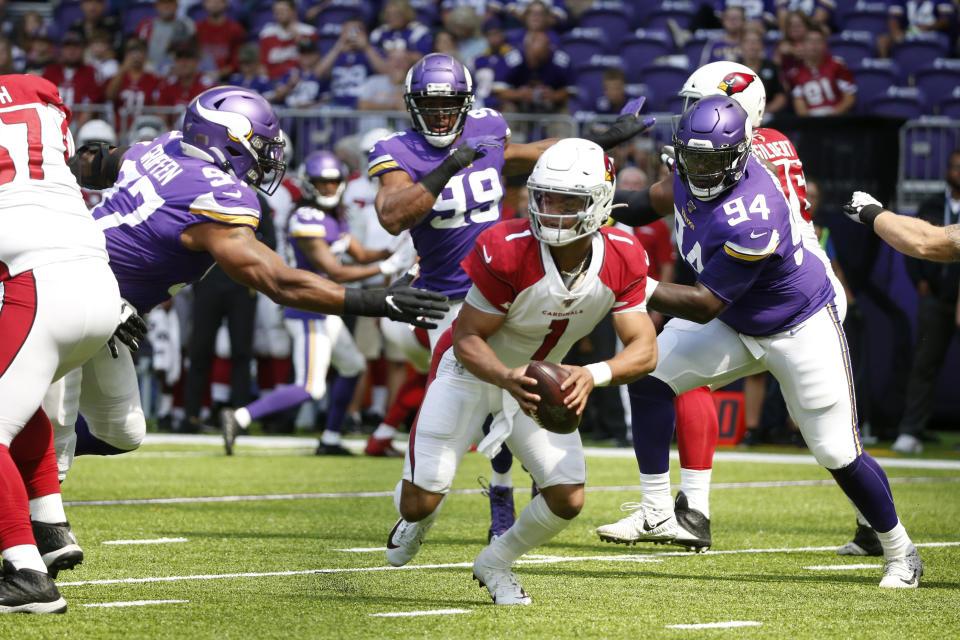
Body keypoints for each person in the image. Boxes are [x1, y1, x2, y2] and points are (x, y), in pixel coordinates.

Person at [46, 86, 448, 489]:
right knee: (51, 431)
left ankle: (30, 459)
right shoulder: (219, 196)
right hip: (71, 292)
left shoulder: (164, 146)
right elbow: (277, 280)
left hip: (103, 297)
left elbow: (95, 160)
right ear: (228, 140)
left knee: (123, 430)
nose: (269, 156)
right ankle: (32, 518)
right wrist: (379, 302)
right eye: (261, 145)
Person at [600, 94, 924, 589]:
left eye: (713, 159)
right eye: (693, 157)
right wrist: (595, 207)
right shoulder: (692, 169)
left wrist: (629, 283)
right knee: (646, 373)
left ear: (739, 155)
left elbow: (707, 303)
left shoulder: (754, 210)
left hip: (796, 322)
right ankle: (657, 510)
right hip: (738, 317)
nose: (701, 168)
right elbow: (647, 203)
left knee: (837, 452)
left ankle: (900, 550)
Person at [370, 52, 652, 539]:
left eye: (449, 105)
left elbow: (531, 154)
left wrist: (599, 140)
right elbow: (393, 214)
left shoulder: (486, 129)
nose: (439, 115)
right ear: (411, 106)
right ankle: (428, 498)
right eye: (429, 105)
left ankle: (501, 487)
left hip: (509, 285)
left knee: (522, 386)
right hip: (446, 298)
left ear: (466, 103)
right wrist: (445, 168)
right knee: (480, 391)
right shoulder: (397, 150)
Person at [384, 138, 658, 605]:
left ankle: (495, 561)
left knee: (567, 497)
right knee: (420, 500)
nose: (551, 210)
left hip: (532, 380)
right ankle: (414, 516)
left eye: (568, 200)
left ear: (599, 203)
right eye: (545, 196)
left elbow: (645, 348)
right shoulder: (506, 247)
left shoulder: (624, 253)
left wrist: (592, 374)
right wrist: (506, 377)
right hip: (471, 371)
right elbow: (467, 338)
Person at [0, 74, 124, 613]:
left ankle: (23, 574)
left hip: (35, 281)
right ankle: (50, 528)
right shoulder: (38, 93)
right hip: (97, 276)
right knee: (17, 401)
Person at [221, 151, 414, 455]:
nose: (327, 188)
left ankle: (331, 439)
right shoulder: (305, 217)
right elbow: (334, 269)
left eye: (332, 182)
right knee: (311, 386)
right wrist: (385, 269)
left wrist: (393, 251)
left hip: (326, 307)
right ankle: (240, 416)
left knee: (352, 367)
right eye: (321, 183)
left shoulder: (336, 216)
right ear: (309, 184)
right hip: (307, 307)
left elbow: (361, 254)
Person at [845, 164, 960, 456]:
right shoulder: (934, 204)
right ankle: (911, 431)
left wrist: (871, 212)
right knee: (924, 364)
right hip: (938, 298)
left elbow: (925, 242)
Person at [788, 27, 856, 117]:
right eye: (810, 42)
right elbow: (799, 105)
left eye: (818, 41)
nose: (814, 46)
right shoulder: (796, 74)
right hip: (811, 122)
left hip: (837, 118)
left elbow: (849, 97)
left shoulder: (837, 65)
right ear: (803, 45)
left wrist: (833, 115)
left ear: (825, 45)